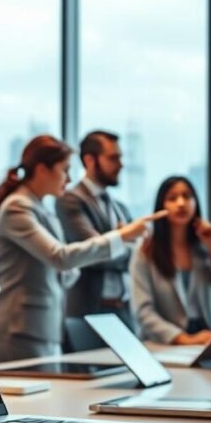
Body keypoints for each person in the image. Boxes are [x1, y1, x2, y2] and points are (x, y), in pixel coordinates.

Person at [0, 135, 166, 362]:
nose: (69, 178)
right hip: (20, 329)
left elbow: (65, 267)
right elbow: (61, 257)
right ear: (43, 170)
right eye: (65, 170)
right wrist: (121, 236)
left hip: (43, 327)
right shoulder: (17, 208)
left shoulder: (40, 209)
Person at [130, 176, 211, 345]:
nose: (181, 203)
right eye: (172, 198)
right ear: (161, 206)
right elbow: (143, 313)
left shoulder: (202, 249)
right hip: (165, 341)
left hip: (203, 337)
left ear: (195, 203)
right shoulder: (145, 251)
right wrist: (183, 339)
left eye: (187, 196)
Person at [55, 130, 136, 332]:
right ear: (90, 160)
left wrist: (119, 244)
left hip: (123, 311)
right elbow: (96, 255)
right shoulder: (71, 200)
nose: (121, 164)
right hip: (88, 313)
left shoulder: (120, 207)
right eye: (113, 158)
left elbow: (140, 257)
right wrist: (124, 241)